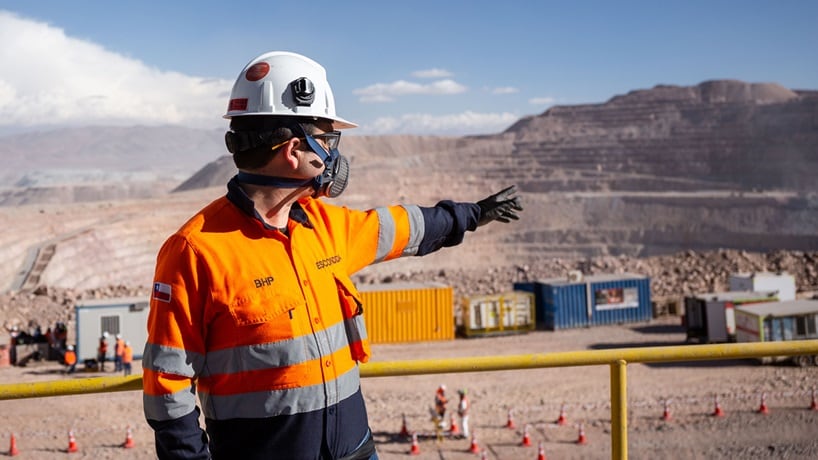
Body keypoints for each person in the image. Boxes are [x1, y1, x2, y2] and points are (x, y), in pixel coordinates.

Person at [142, 50, 523, 460]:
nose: (333, 154)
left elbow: (404, 227)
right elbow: (167, 384)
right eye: (326, 140)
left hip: (355, 450)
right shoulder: (196, 251)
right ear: (293, 150)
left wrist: (470, 215)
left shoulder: (323, 226)